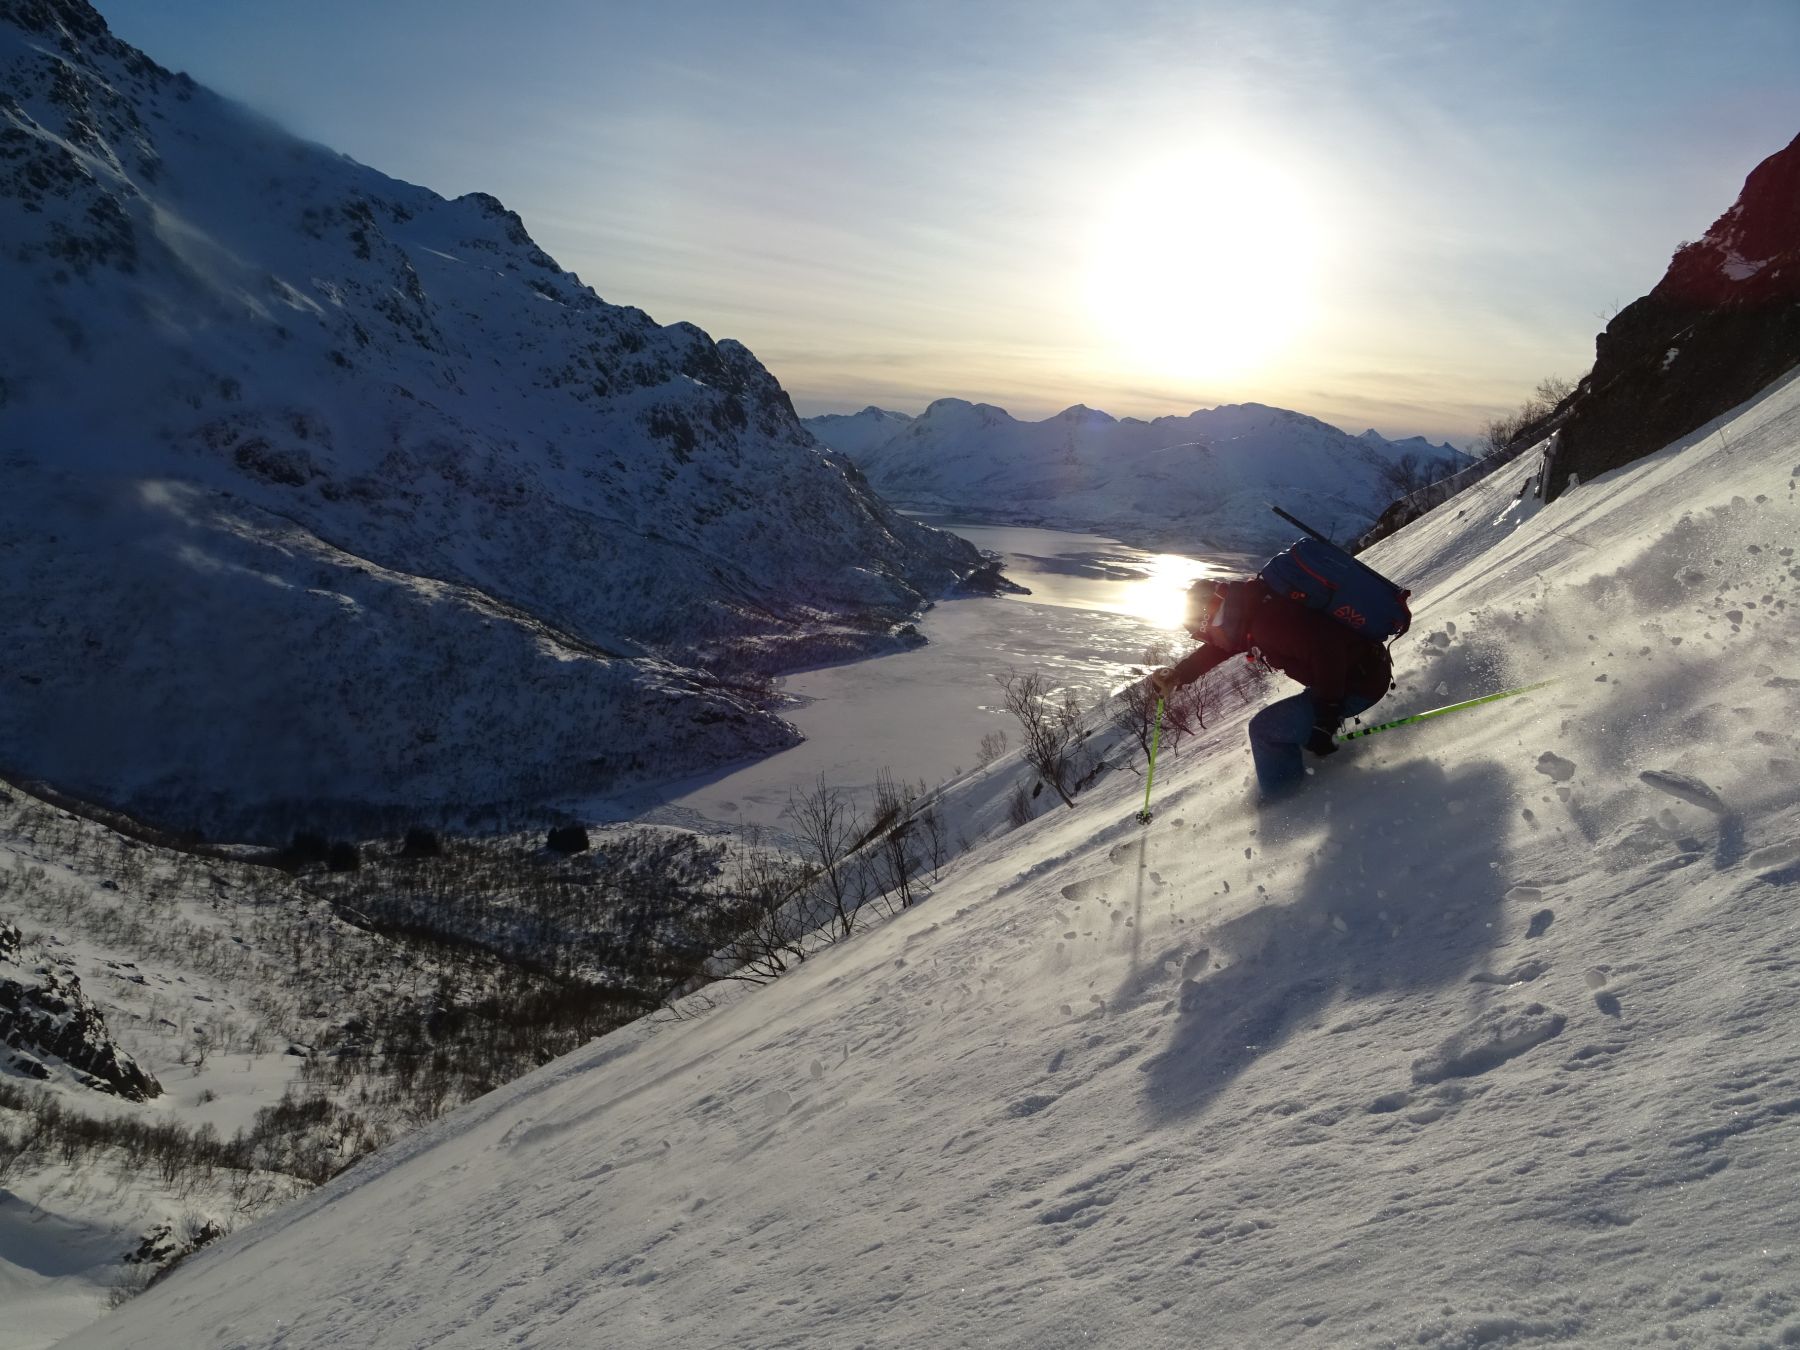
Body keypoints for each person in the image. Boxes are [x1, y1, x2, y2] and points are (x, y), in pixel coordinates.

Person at [1150, 575, 1393, 799]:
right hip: (1359, 673)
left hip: (1357, 685)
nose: (1212, 641)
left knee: (1265, 729)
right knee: (1282, 724)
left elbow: (1328, 652)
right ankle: (1298, 761)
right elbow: (1220, 648)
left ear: (1216, 618)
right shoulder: (1252, 609)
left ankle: (1286, 803)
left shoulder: (1269, 623)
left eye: (1208, 635)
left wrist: (1326, 720)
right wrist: (1180, 674)